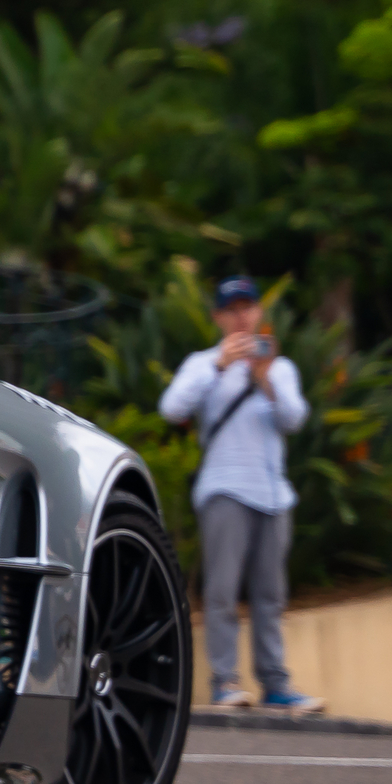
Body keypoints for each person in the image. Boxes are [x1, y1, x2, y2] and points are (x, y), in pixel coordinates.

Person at [158, 275, 323, 712]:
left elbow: (295, 419)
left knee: (271, 596)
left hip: (274, 495)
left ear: (259, 313)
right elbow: (172, 408)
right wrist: (219, 367)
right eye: (231, 309)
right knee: (222, 592)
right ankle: (225, 682)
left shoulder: (279, 367)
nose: (241, 316)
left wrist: (265, 378)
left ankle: (276, 684)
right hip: (225, 489)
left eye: (248, 307)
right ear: (218, 317)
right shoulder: (202, 363)